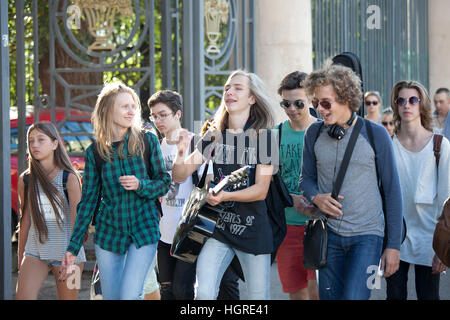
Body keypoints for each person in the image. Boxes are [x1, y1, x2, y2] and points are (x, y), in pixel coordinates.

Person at [300, 62, 403, 300]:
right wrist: (316, 196)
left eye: (326, 103)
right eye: (315, 103)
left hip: (368, 238)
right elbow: (305, 179)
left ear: (346, 98)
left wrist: (393, 246)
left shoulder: (376, 134)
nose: (320, 109)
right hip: (329, 237)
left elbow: (392, 192)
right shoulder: (313, 134)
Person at [61, 81, 171, 300]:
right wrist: (73, 248)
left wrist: (141, 185)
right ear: (108, 110)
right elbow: (88, 202)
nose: (131, 111)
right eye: (124, 106)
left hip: (144, 229)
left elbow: (164, 182)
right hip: (109, 234)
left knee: (130, 295)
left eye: (133, 106)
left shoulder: (147, 140)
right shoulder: (95, 152)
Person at [172, 70, 276, 300]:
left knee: (258, 299)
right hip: (217, 229)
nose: (229, 91)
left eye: (238, 88)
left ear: (252, 98)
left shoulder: (265, 138)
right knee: (205, 293)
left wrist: (226, 196)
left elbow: (261, 190)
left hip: (253, 230)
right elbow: (180, 175)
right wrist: (180, 153)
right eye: (227, 88)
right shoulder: (213, 135)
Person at [386, 81, 450, 300]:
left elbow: (447, 199)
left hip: (429, 236)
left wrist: (443, 248)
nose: (407, 105)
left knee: (428, 296)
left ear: (422, 104)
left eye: (413, 100)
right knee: (394, 296)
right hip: (396, 236)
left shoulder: (440, 145)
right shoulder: (389, 144)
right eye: (401, 100)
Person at [15, 122, 86, 300]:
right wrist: (21, 259)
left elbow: (78, 223)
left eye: (41, 140)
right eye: (31, 141)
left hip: (69, 253)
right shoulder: (26, 179)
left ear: (55, 144)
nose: (35, 145)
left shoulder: (69, 178)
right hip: (35, 251)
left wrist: (72, 256)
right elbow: (25, 221)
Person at [274, 71, 318, 300]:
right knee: (297, 295)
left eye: (299, 103)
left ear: (310, 100)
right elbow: (267, 182)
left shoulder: (323, 131)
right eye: (286, 103)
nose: (292, 109)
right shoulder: (275, 134)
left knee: (318, 292)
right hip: (287, 226)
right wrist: (291, 199)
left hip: (319, 225)